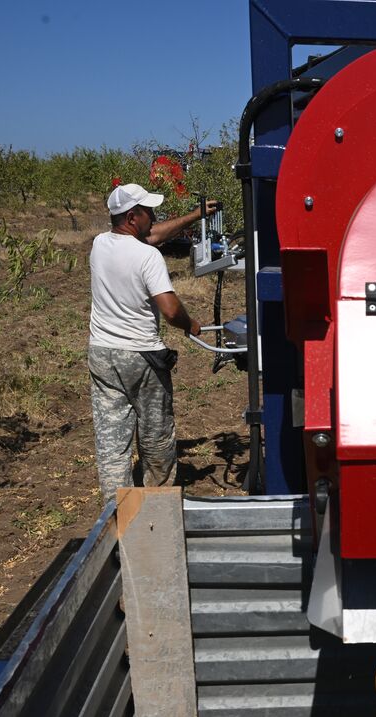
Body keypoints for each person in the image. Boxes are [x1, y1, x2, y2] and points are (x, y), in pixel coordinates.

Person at [88, 183, 220, 503]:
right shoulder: (148, 257)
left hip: (102, 353)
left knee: (112, 443)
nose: (154, 216)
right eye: (148, 212)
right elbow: (171, 309)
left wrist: (195, 216)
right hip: (142, 357)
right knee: (156, 437)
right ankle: (157, 509)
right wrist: (191, 325)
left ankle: (117, 516)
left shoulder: (100, 244)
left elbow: (153, 234)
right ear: (133, 217)